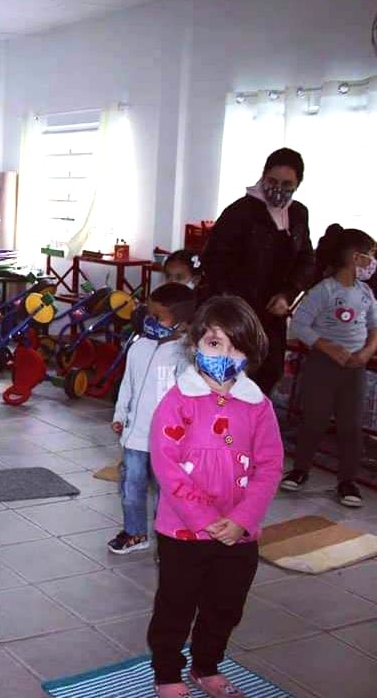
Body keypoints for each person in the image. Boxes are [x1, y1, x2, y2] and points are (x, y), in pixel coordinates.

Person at [146, 296, 283, 698]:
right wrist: (204, 518)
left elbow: (270, 466)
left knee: (226, 606)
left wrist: (243, 518)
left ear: (251, 353)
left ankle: (207, 665)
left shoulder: (258, 406)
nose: (226, 354)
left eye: (237, 346)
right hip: (183, 533)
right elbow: (167, 466)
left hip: (239, 533)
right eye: (215, 343)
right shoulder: (177, 401)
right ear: (195, 345)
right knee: (175, 604)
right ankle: (168, 671)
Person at [201, 147, 315, 395]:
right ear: (263, 176)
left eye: (287, 184)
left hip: (273, 313)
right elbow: (214, 261)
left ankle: (253, 427)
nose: (278, 188)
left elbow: (306, 259)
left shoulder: (298, 214)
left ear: (298, 184)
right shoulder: (240, 212)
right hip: (237, 312)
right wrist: (235, 306)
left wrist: (288, 293)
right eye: (272, 181)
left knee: (269, 372)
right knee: (231, 375)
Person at [282, 225, 376, 507]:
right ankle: (300, 470)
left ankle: (347, 480)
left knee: (351, 425)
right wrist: (328, 347)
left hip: (354, 368)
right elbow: (299, 324)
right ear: (355, 257)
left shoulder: (366, 294)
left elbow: (375, 328)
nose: (373, 261)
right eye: (371, 254)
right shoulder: (324, 290)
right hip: (323, 365)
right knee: (315, 419)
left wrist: (366, 353)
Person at [109, 283, 195, 554]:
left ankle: (168, 542)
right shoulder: (139, 347)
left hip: (167, 442)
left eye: (158, 317)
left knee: (167, 494)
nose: (150, 321)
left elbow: (189, 400)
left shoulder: (186, 355)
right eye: (149, 314)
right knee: (130, 488)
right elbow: (127, 384)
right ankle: (135, 533)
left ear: (182, 323)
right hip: (135, 436)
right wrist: (120, 414)